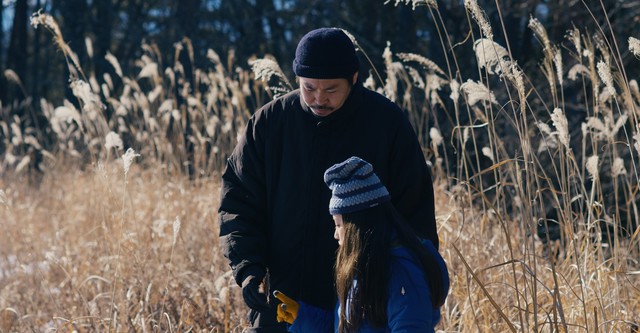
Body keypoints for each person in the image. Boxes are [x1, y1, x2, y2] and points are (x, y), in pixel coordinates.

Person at [218, 27, 439, 333]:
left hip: (362, 303)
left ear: (354, 79)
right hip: (282, 304)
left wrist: (403, 284)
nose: (319, 98)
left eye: (331, 89)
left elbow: (414, 218)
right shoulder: (269, 124)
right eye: (309, 87)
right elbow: (238, 204)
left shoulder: (387, 125)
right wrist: (249, 270)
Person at [273, 156, 449, 332]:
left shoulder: (402, 273)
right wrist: (303, 318)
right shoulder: (366, 269)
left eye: (339, 224)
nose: (335, 234)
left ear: (356, 227)